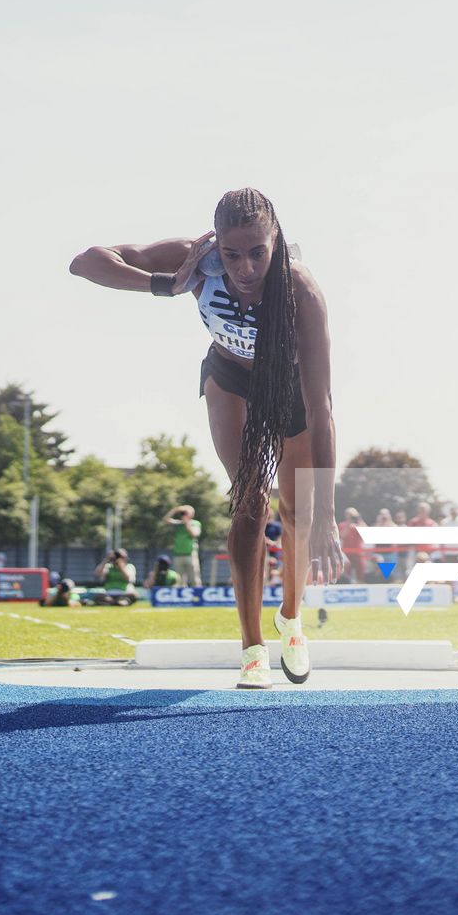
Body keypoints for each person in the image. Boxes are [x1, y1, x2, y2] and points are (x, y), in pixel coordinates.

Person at [70, 188, 346, 688]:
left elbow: (320, 406)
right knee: (249, 503)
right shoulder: (197, 259)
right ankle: (252, 647)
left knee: (298, 515)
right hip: (230, 379)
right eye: (232, 254)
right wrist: (166, 284)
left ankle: (291, 618)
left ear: (276, 240)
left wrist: (328, 511)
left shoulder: (301, 292)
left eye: (257, 252)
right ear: (217, 243)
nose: (243, 268)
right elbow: (85, 263)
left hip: (288, 390)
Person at [165, 504, 204, 586]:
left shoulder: (195, 523)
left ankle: (198, 595)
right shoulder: (178, 523)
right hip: (178, 554)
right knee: (179, 580)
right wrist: (175, 510)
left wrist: (187, 523)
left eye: (185, 513)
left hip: (190, 554)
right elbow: (166, 520)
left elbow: (195, 534)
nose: (183, 515)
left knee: (194, 578)